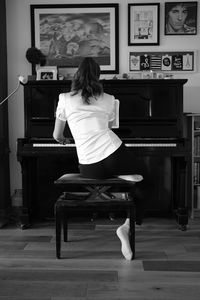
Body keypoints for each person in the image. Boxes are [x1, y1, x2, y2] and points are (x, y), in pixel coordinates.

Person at [53, 57, 147, 260]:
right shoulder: (109, 98)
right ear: (98, 76)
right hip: (113, 153)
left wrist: (68, 139)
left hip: (89, 167)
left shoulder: (64, 98)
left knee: (131, 174)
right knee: (146, 176)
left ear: (77, 75)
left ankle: (126, 177)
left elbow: (57, 135)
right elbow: (111, 129)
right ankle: (127, 225)